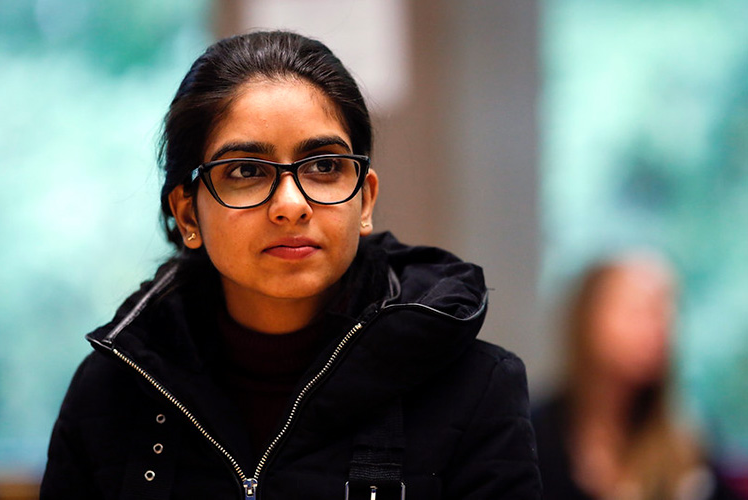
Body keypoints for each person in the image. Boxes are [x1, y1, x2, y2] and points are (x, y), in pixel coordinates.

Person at [39, 31, 541, 499]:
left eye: (323, 166)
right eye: (246, 171)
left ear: (364, 201)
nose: (290, 204)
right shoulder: (110, 393)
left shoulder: (476, 389)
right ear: (188, 213)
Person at [532, 253, 738, 500]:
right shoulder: (534, 437)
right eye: (638, 311)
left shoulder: (686, 447)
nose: (658, 329)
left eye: (664, 312)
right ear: (588, 319)